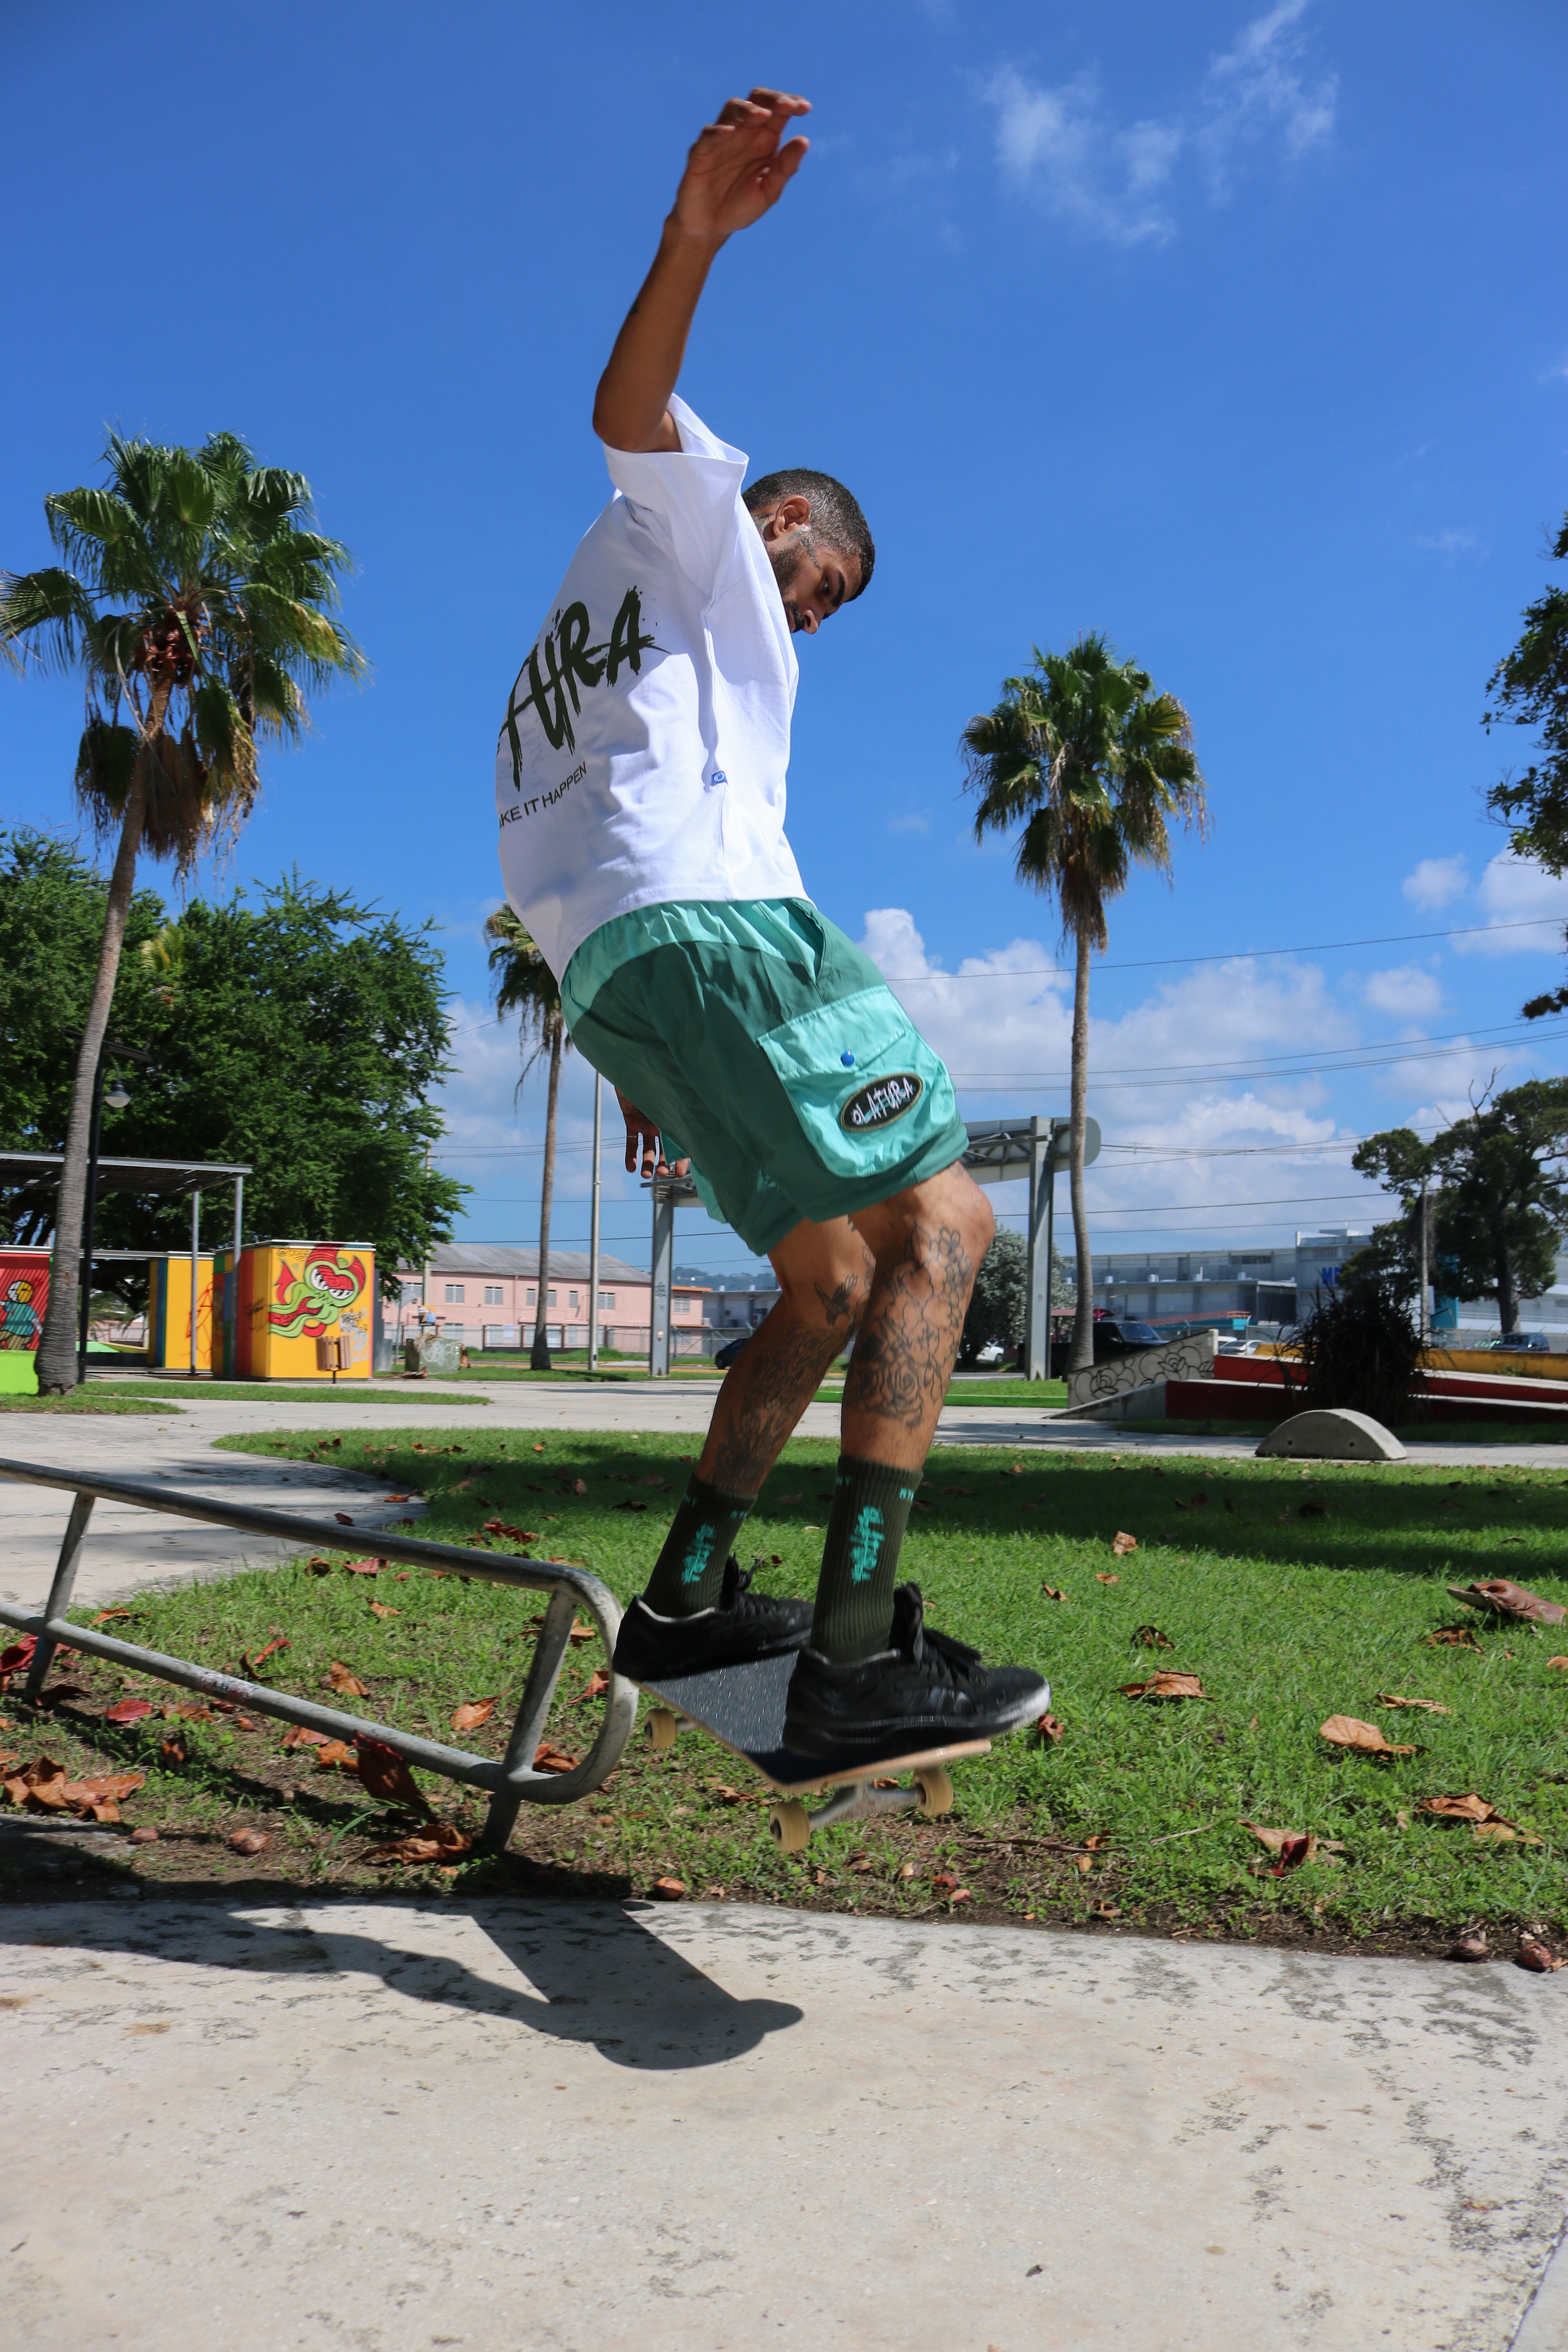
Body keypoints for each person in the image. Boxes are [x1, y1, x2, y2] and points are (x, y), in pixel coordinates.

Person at [495, 87, 1047, 1760]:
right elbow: (628, 405)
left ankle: (683, 1602)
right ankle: (859, 1655)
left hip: (609, 972)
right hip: (720, 931)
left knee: (827, 1281)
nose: (808, 623)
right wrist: (692, 240)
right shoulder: (700, 531)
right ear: (788, 526)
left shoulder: (589, 612)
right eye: (822, 592)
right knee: (947, 1229)